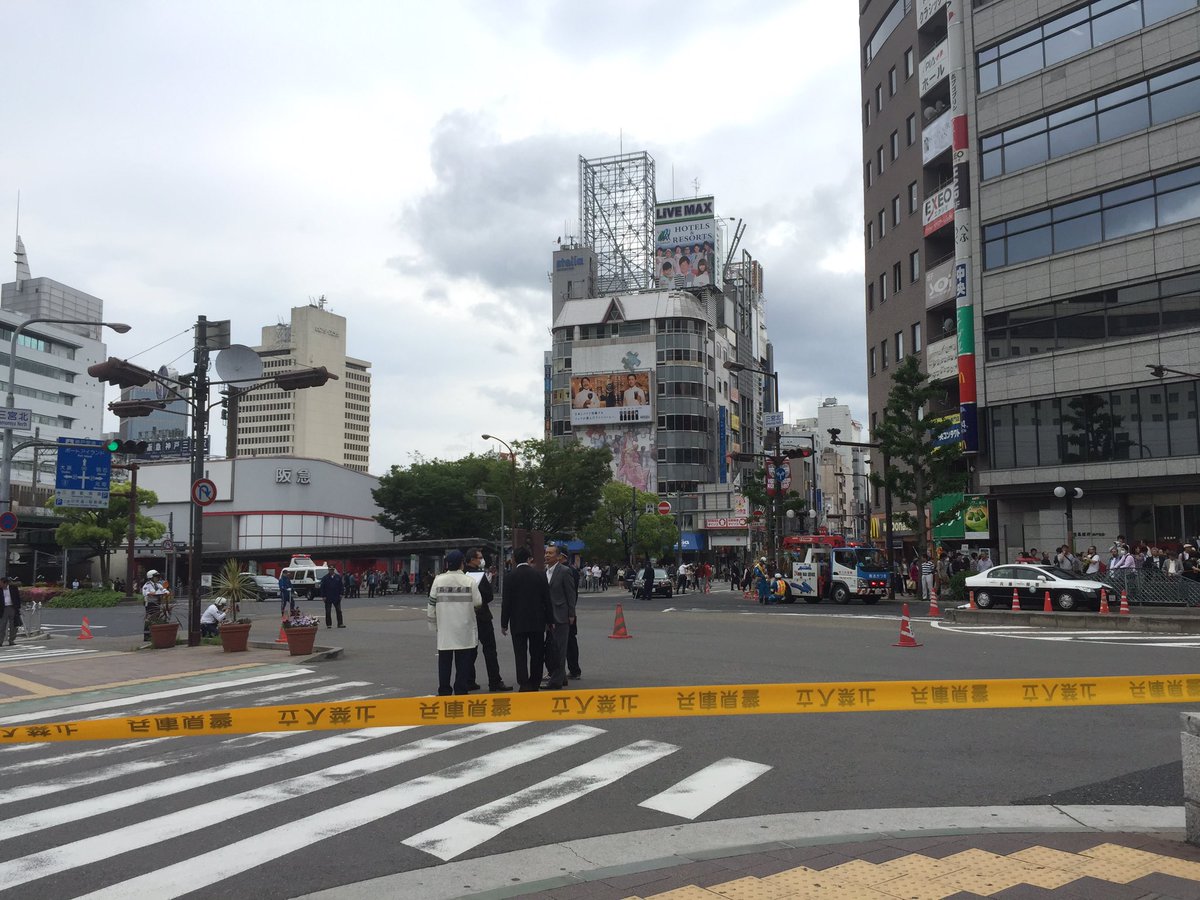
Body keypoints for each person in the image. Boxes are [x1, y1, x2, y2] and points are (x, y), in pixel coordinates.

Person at [426, 550, 482, 696]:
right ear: (462, 564)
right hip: (465, 628)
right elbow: (478, 602)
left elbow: (431, 604)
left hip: (445, 629)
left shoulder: (438, 580)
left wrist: (433, 624)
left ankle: (444, 690)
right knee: (463, 663)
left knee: (444, 662)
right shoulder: (469, 581)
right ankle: (461, 690)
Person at [500, 546, 553, 691]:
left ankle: (524, 682)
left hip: (518, 621)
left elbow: (507, 602)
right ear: (529, 558)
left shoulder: (510, 577)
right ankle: (535, 681)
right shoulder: (540, 575)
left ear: (515, 560)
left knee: (520, 653)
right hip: (537, 620)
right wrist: (550, 620)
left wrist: (504, 623)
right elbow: (547, 600)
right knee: (537, 652)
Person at [465, 547, 512, 693]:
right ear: (472, 559)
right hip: (482, 616)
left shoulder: (463, 575)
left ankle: (468, 680)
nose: (481, 560)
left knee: (470, 650)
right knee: (490, 649)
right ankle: (495, 681)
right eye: (479, 557)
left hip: (467, 616)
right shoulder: (479, 575)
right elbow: (488, 595)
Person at [543, 544, 577, 690]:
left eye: (550, 553)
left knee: (560, 648)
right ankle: (561, 677)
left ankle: (556, 681)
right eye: (546, 553)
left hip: (561, 615)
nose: (547, 555)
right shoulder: (545, 572)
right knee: (552, 648)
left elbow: (571, 594)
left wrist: (571, 614)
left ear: (558, 556)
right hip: (549, 616)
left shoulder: (564, 571)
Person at [142, 569, 168, 639]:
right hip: (150, 603)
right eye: (156, 577)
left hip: (157, 603)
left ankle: (154, 634)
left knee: (156, 618)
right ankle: (147, 635)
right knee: (149, 618)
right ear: (151, 577)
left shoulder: (158, 584)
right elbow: (145, 593)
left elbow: (163, 590)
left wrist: (166, 592)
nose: (157, 578)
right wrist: (155, 593)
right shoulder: (147, 585)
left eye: (158, 577)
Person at [0, 575, 20, 646]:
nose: (0, 584)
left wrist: (18, 608)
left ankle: (11, 640)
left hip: (12, 608)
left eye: (1, 583)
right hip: (3, 609)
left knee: (13, 626)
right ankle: (0, 641)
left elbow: (17, 598)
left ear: (5, 583)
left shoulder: (13, 588)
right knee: (2, 626)